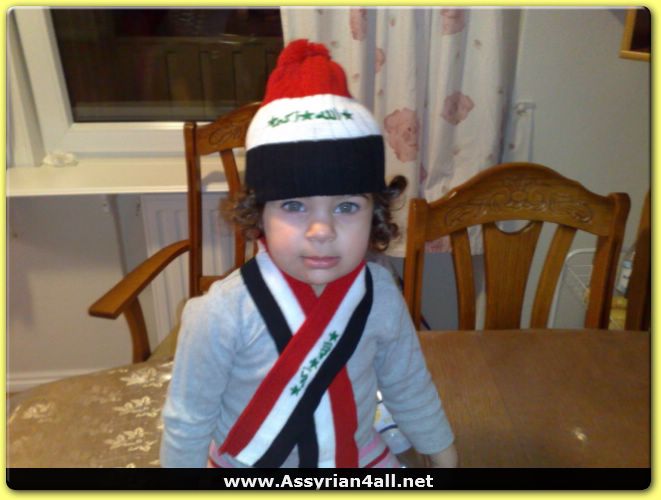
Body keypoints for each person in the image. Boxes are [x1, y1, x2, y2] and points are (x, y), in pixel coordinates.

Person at [160, 39, 457, 468]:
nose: (322, 231)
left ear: (375, 213)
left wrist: (444, 454)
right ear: (259, 213)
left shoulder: (381, 295)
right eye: (295, 206)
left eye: (347, 207)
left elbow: (407, 384)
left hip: (356, 460)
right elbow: (188, 420)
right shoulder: (219, 313)